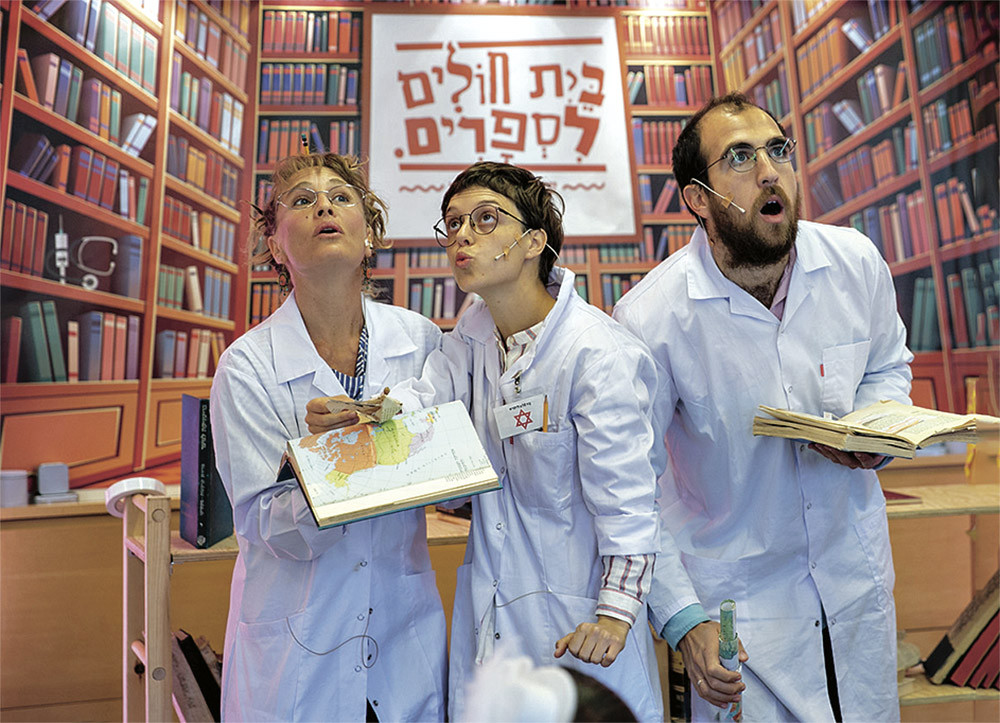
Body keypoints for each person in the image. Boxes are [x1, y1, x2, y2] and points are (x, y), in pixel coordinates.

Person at [306, 162, 667, 721]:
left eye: (485, 219)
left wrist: (615, 615)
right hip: (495, 623)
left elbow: (629, 504)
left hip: (581, 629)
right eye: (453, 224)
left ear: (534, 243)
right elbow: (428, 396)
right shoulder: (475, 331)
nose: (462, 236)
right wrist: (365, 413)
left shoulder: (596, 353)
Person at [613, 92, 913, 721]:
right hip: (740, 609)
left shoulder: (855, 262)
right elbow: (632, 488)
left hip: (853, 582)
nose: (770, 172)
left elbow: (887, 367)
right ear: (698, 199)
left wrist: (874, 428)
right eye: (740, 157)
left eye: (778, 150)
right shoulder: (651, 317)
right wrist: (682, 618)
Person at [210, 152, 447, 721]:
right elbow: (267, 526)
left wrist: (356, 456)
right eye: (302, 200)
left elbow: (448, 470)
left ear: (370, 236)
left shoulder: (421, 342)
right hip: (298, 652)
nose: (324, 207)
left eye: (341, 197)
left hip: (402, 638)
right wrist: (340, 457)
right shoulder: (247, 367)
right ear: (275, 246)